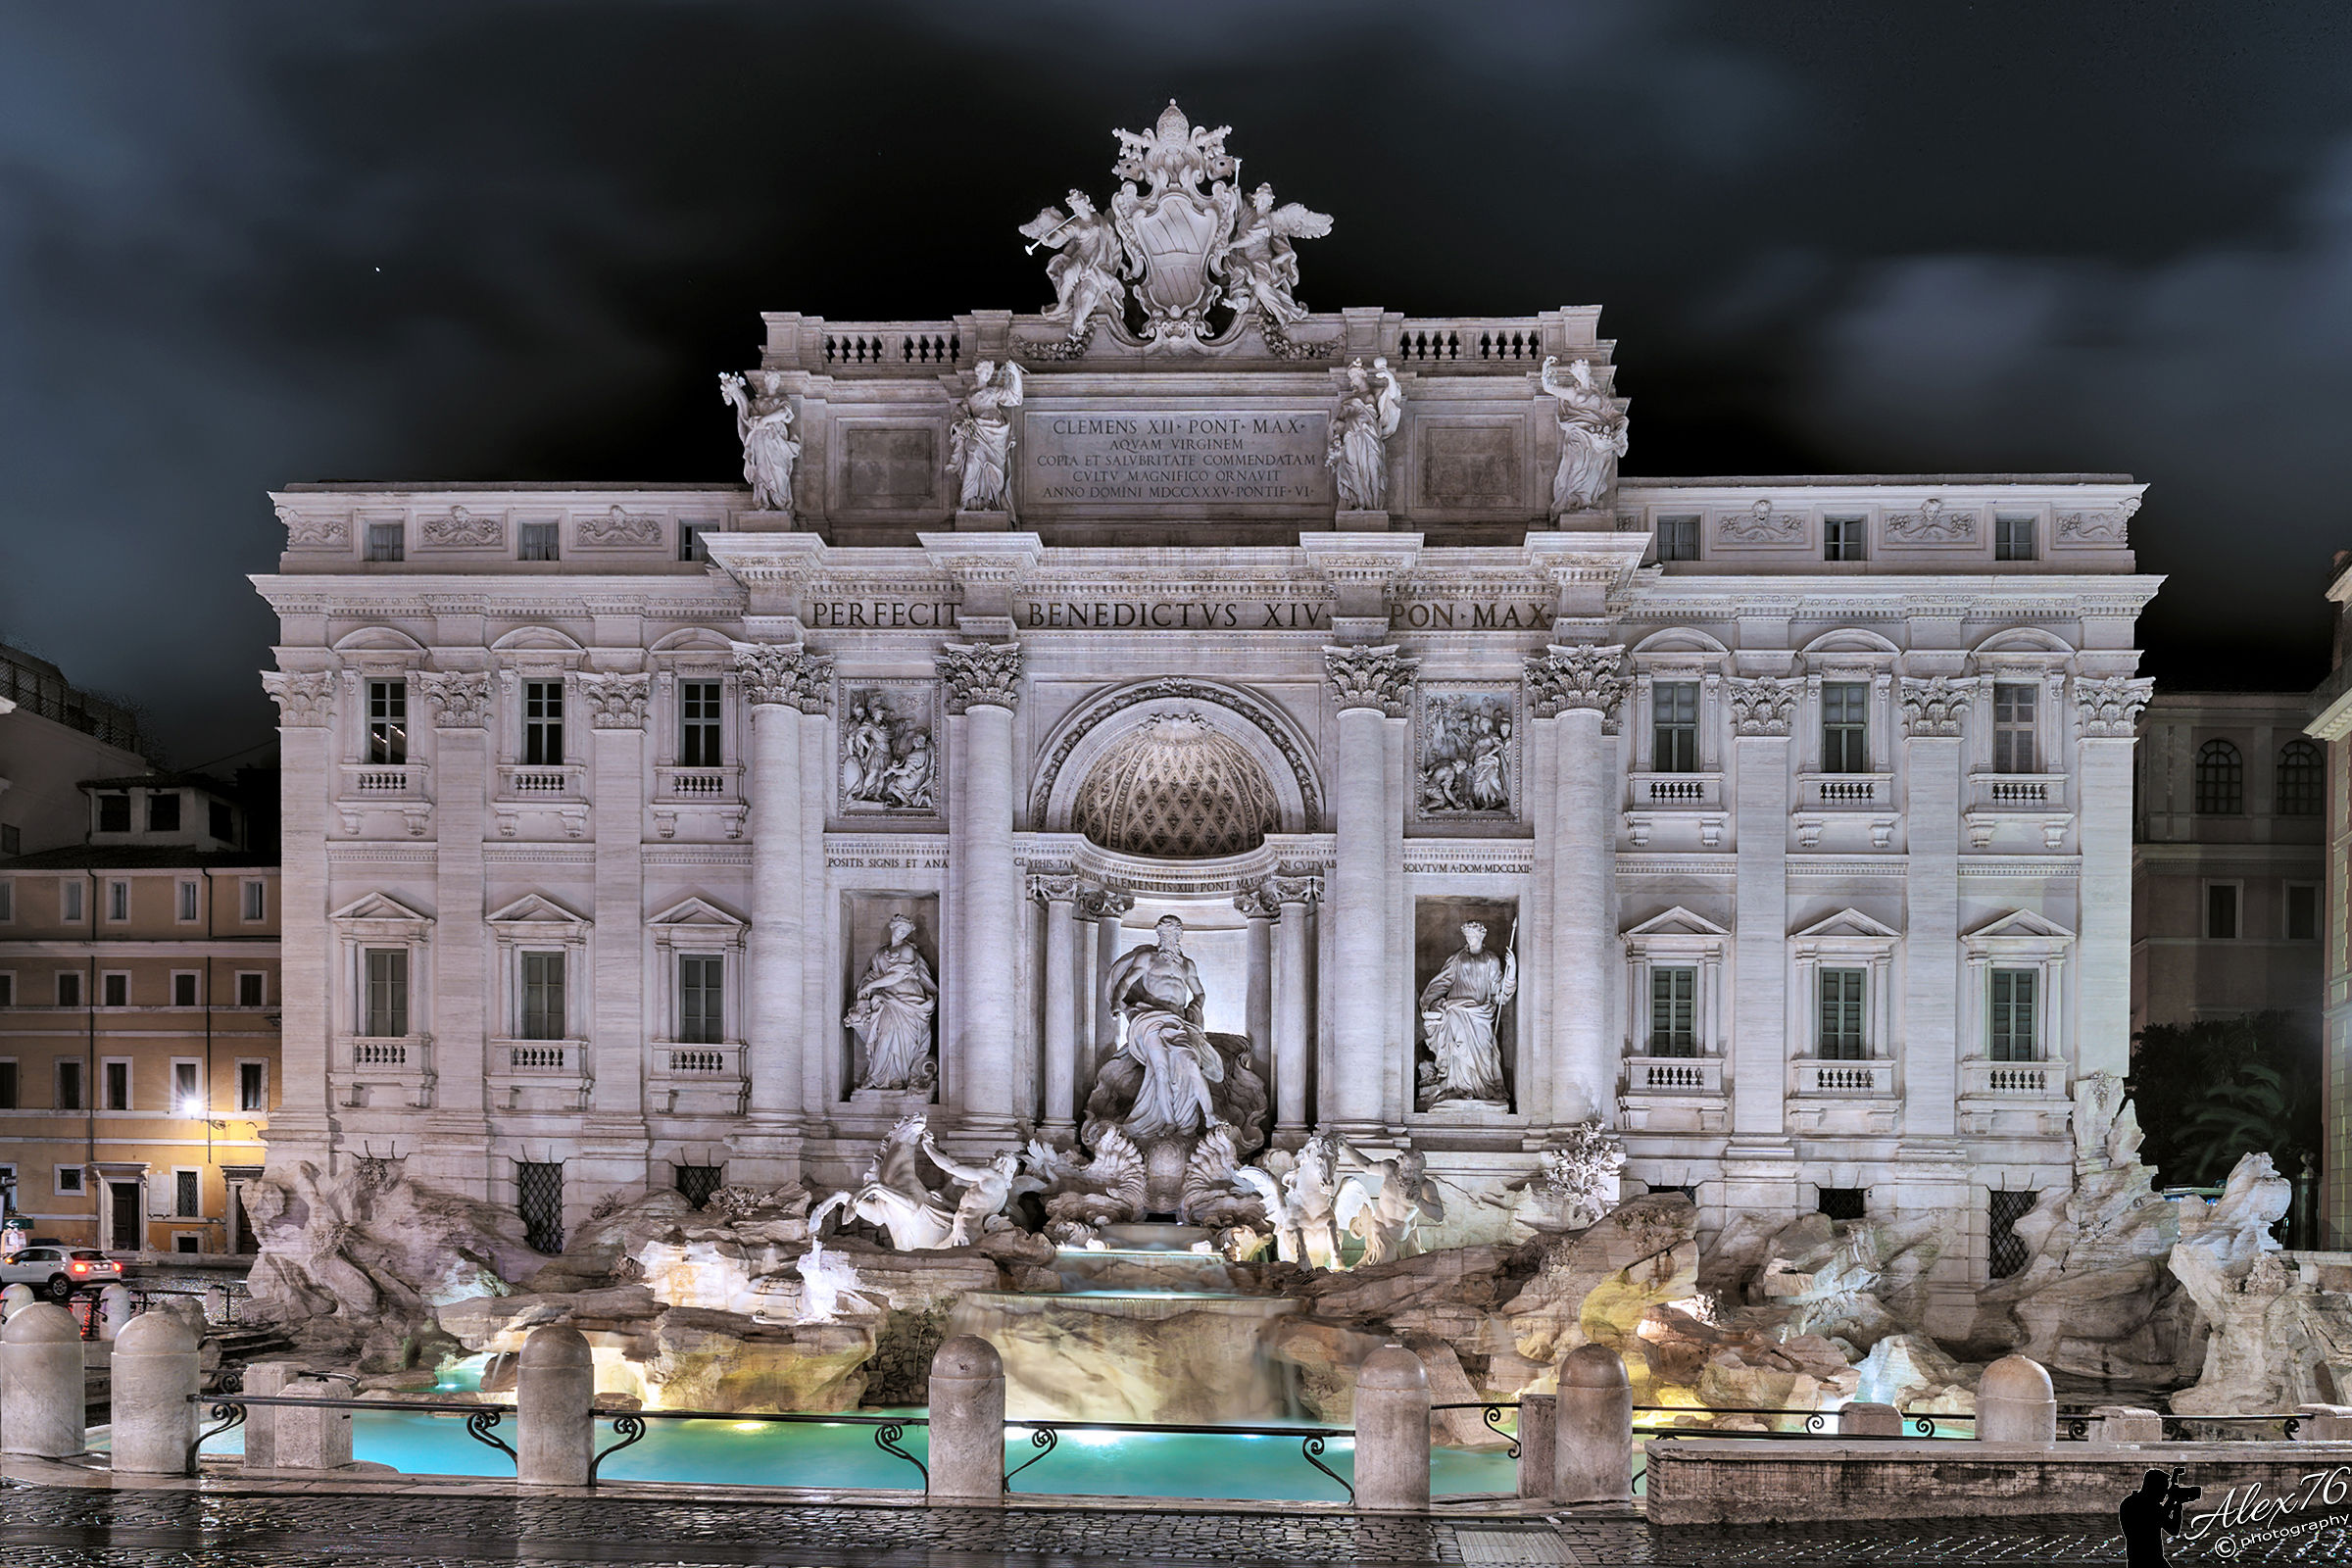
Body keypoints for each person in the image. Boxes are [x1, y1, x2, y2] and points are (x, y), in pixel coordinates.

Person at [1101, 915, 1227, 1139]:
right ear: (1158, 934)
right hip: (1150, 1018)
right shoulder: (1147, 958)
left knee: (1190, 1063)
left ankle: (1209, 1115)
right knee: (1160, 1070)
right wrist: (1116, 1004)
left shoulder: (1187, 965)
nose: (1169, 937)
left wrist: (1194, 1010)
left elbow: (1199, 993)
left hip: (1177, 1022)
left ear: (1180, 935)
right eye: (1165, 933)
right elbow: (1126, 983)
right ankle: (1168, 1122)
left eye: (1174, 932)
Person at [1418, 920, 1518, 1107]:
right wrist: (1428, 1002)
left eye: (1473, 936)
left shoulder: (1491, 960)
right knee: (1459, 1048)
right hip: (1456, 1009)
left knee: (1484, 1051)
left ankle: (1482, 1087)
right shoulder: (1458, 959)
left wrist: (1511, 969)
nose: (1470, 940)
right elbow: (1443, 981)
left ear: (1481, 936)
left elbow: (1501, 992)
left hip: (1480, 1013)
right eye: (1467, 936)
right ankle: (1460, 1087)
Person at [845, 914, 937, 1091]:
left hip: (908, 1001)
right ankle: (877, 1076)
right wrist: (865, 987)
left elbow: (898, 975)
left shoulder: (907, 950)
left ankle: (898, 1078)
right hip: (887, 1000)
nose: (902, 933)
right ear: (892, 927)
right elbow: (872, 975)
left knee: (905, 1041)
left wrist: (872, 985)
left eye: (906, 931)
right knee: (885, 1036)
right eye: (900, 928)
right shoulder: (880, 953)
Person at [2119, 1466, 2191, 1567]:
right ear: (2155, 1488)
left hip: (2135, 1559)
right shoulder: (2150, 1506)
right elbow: (2173, 1529)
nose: (2166, 1493)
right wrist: (2178, 1504)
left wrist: (2172, 1501)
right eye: (2164, 1488)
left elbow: (2158, 1516)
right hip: (2152, 1561)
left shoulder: (2129, 1502)